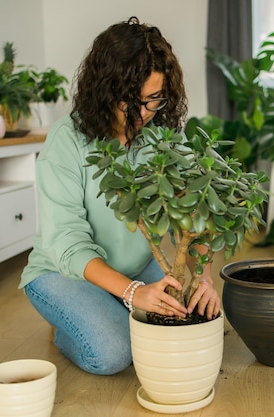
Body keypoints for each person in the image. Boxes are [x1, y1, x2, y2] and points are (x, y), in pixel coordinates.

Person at [20, 17, 221, 376]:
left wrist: (203, 278)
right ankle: (68, 330)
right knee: (114, 352)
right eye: (131, 103)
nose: (143, 114)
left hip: (136, 267)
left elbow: (195, 213)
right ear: (104, 90)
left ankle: (109, 307)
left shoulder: (162, 139)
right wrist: (132, 294)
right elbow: (66, 242)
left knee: (193, 314)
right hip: (63, 273)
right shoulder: (66, 141)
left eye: (154, 100)